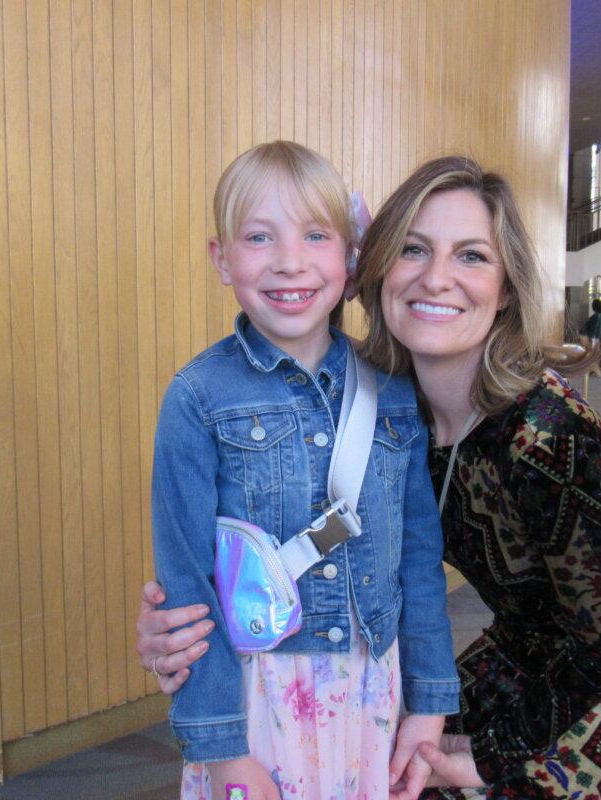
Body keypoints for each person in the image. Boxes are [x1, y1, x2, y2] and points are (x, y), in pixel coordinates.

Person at [140, 156, 601, 799]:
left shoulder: (551, 437)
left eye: (471, 256)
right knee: (406, 769)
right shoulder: (391, 402)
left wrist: (491, 760)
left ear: (506, 287)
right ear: (377, 268)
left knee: (444, 781)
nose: (437, 278)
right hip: (524, 649)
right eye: (414, 250)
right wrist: (179, 631)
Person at [150, 141, 458, 800]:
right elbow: (186, 586)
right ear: (221, 258)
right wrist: (222, 748)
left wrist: (429, 703)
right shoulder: (197, 397)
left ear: (350, 258)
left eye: (316, 236)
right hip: (256, 695)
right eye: (259, 237)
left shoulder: (392, 390)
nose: (289, 261)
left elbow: (418, 561)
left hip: (370, 689)